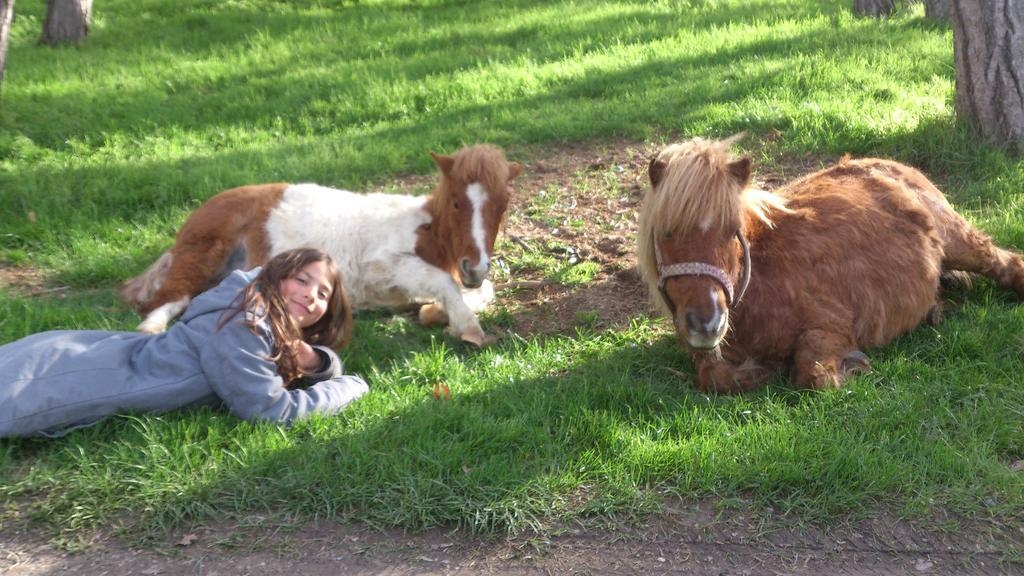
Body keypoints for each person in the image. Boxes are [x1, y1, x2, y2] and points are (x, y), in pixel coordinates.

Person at [0, 248, 369, 438]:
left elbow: (295, 368)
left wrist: (318, 363)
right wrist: (350, 386)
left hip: (93, 352)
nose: (311, 296)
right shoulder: (244, 326)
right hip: (75, 373)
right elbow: (270, 412)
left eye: (323, 293)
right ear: (275, 276)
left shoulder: (252, 309)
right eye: (302, 280)